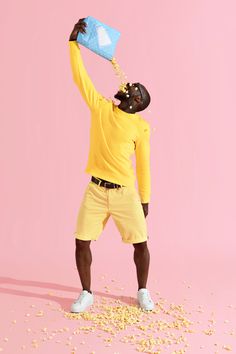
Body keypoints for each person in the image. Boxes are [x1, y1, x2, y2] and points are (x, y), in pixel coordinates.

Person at [68, 18, 154, 312]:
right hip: (95, 190)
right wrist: (73, 45)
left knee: (140, 243)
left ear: (137, 103)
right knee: (81, 241)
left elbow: (143, 166)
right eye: (132, 85)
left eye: (136, 90)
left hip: (125, 194)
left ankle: (143, 290)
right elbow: (81, 78)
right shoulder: (101, 108)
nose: (129, 87)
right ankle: (86, 293)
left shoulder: (140, 127)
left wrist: (145, 200)